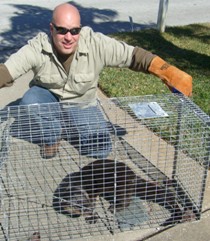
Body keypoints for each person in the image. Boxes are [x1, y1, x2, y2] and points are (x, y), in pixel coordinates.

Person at [0, 3, 192, 159]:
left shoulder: (96, 44)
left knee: (100, 150)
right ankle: (52, 136)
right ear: (52, 29)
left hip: (81, 103)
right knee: (30, 102)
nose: (69, 37)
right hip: (47, 96)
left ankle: (69, 122)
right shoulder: (38, 47)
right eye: (62, 30)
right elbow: (8, 70)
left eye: (74, 31)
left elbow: (133, 55)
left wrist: (168, 71)